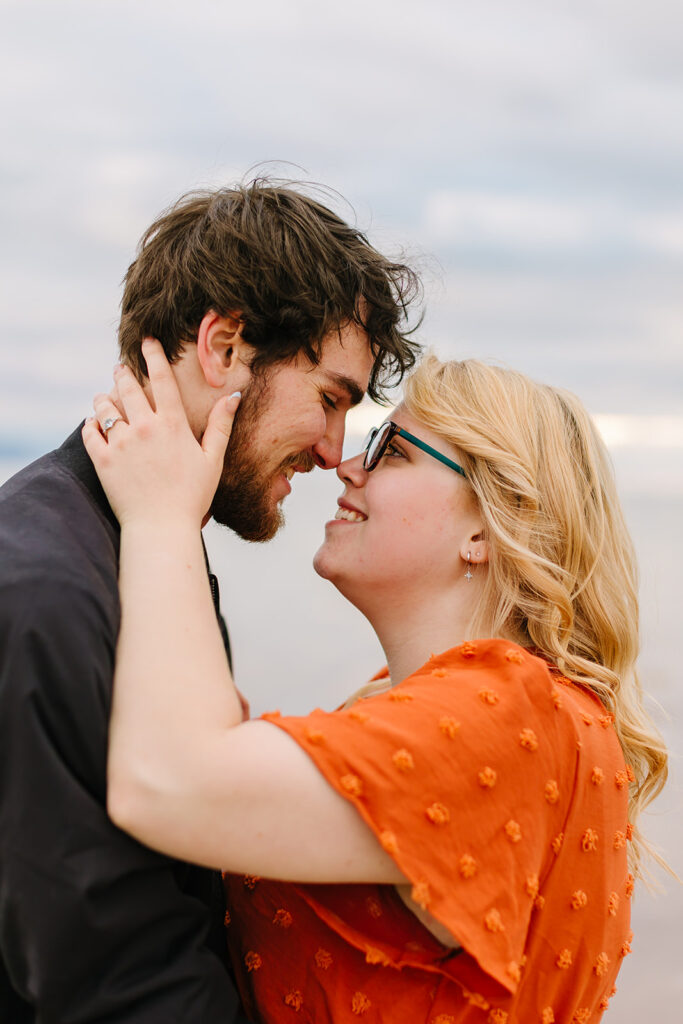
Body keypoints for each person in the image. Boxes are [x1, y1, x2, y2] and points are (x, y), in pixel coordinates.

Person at [85, 342, 668, 1024]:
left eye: (392, 449)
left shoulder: (508, 712)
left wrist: (160, 518)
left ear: (487, 522)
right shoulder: (482, 706)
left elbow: (169, 784)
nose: (346, 465)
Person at [0, 182, 420, 1022]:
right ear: (224, 345)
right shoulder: (48, 591)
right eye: (330, 398)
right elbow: (116, 978)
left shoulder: (143, 546)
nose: (336, 452)